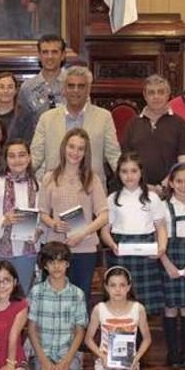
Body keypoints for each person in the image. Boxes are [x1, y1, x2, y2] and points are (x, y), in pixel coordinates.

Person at [38, 129, 109, 308]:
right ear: (64, 147)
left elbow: (104, 215)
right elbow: (43, 213)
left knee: (80, 299)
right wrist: (53, 224)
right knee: (54, 300)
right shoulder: (49, 177)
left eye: (80, 149)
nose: (75, 152)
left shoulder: (92, 179)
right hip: (55, 249)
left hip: (84, 248)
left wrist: (82, 234)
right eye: (71, 146)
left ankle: (80, 336)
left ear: (86, 153)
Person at [101, 153, 168, 316]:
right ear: (118, 173)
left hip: (146, 252)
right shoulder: (112, 199)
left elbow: (161, 228)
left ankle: (141, 338)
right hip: (120, 251)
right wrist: (112, 245)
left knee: (143, 303)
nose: (129, 176)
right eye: (124, 171)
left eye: (133, 171)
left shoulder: (152, 198)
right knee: (121, 298)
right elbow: (104, 231)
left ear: (141, 172)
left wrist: (162, 247)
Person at [30, 65, 121, 186]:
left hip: (92, 191)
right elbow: (35, 157)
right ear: (63, 89)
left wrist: (130, 178)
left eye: (81, 86)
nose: (75, 90)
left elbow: (114, 156)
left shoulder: (104, 117)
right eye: (71, 86)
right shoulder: (47, 118)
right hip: (55, 189)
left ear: (88, 89)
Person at [84, 266, 153, 370]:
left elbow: (147, 338)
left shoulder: (138, 309)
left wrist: (137, 358)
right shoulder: (99, 309)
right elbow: (88, 339)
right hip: (105, 365)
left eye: (122, 285)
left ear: (129, 287)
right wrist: (102, 356)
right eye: (113, 285)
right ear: (106, 287)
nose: (118, 289)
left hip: (129, 365)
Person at [0, 139, 42, 293]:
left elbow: (44, 218)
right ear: (5, 160)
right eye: (12, 156)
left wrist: (39, 231)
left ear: (29, 158)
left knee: (23, 295)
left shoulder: (38, 186)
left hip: (27, 252)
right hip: (0, 251)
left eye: (22, 155)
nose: (17, 160)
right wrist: (3, 220)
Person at [28, 242, 88, 370]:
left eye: (61, 262)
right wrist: (44, 360)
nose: (56, 267)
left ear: (67, 264)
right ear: (45, 266)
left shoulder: (77, 294)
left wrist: (66, 362)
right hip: (44, 353)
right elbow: (31, 329)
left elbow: (80, 331)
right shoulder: (36, 292)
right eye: (51, 262)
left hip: (67, 353)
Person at [159, 163, 185, 369]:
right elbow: (159, 239)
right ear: (172, 183)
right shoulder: (163, 206)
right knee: (170, 308)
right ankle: (172, 352)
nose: (183, 186)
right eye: (179, 181)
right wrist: (167, 264)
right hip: (170, 259)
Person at [123, 75, 185, 190]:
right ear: (144, 95)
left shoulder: (180, 124)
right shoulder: (133, 124)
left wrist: (165, 184)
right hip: (137, 189)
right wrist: (143, 185)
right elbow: (126, 161)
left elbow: (183, 163)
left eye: (161, 92)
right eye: (151, 93)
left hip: (171, 190)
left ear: (168, 94)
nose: (156, 96)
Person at [14, 34, 67, 146]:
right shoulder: (27, 88)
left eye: (54, 52)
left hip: (69, 149)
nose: (49, 56)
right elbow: (21, 125)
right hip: (38, 149)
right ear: (39, 55)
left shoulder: (74, 84)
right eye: (45, 52)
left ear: (63, 55)